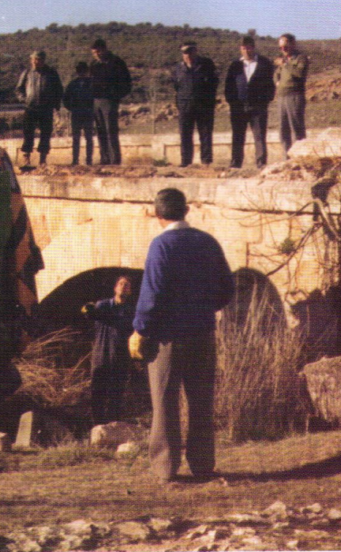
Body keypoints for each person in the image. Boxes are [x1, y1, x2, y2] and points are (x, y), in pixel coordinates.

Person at [130, 188, 234, 484]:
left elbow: (152, 292)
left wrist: (141, 328)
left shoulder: (161, 246)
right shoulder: (208, 242)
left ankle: (166, 469)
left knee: (165, 401)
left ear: (157, 214)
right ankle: (202, 465)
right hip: (202, 331)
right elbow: (226, 288)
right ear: (186, 210)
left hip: (168, 336)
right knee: (201, 400)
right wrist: (204, 307)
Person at [82, 275, 135, 425]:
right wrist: (88, 309)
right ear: (115, 288)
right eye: (121, 284)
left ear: (130, 291)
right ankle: (97, 427)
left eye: (127, 285)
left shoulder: (131, 312)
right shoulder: (103, 306)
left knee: (117, 394)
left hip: (121, 358)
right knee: (98, 393)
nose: (124, 286)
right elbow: (91, 313)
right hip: (102, 355)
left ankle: (113, 428)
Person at [224, 36, 276, 168]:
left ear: (253, 47)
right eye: (243, 48)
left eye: (248, 47)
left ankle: (261, 163)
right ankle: (235, 164)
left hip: (258, 108)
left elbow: (271, 85)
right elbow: (228, 86)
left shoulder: (264, 63)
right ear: (240, 49)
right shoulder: (235, 65)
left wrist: (264, 102)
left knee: (259, 137)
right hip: (239, 108)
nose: (246, 50)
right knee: (237, 137)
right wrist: (233, 103)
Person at [171, 42, 220, 167]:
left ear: (195, 51)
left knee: (205, 134)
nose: (187, 55)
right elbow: (176, 87)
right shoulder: (178, 68)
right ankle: (186, 161)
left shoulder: (207, 65)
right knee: (185, 135)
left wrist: (209, 101)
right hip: (185, 106)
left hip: (204, 105)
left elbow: (214, 84)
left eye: (189, 52)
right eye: (184, 53)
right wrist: (180, 104)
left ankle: (206, 161)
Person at [14, 50, 63, 166]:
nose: (36, 62)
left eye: (39, 59)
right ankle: (26, 157)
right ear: (31, 60)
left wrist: (55, 104)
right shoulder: (27, 73)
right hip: (30, 108)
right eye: (34, 59)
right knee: (28, 132)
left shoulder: (51, 73)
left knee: (46, 133)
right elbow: (18, 89)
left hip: (46, 108)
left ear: (43, 60)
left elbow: (59, 90)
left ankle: (43, 159)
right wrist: (24, 99)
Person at [88, 39, 132, 165]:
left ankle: (114, 160)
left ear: (104, 49)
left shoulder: (117, 62)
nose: (96, 55)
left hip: (109, 101)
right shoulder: (93, 64)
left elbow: (126, 83)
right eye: (94, 53)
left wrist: (115, 96)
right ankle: (104, 159)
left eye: (98, 52)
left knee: (111, 130)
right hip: (96, 101)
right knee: (100, 131)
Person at [274, 33, 309, 156]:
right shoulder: (284, 60)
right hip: (282, 97)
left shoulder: (300, 58)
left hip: (295, 96)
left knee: (296, 128)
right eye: (281, 47)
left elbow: (299, 73)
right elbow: (276, 73)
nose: (283, 49)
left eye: (285, 47)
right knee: (283, 130)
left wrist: (285, 64)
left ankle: (300, 156)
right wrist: (277, 81)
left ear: (293, 44)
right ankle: (286, 157)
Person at [63, 61, 95, 166]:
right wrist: (72, 108)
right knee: (76, 138)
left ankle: (89, 160)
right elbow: (66, 99)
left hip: (88, 113)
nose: (81, 73)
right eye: (79, 71)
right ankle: (75, 160)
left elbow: (95, 98)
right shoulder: (73, 84)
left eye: (83, 71)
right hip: (77, 114)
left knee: (88, 138)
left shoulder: (91, 83)